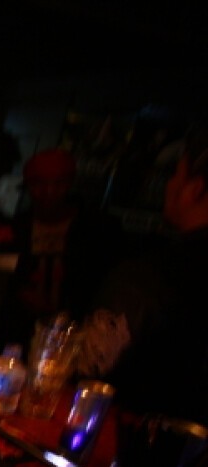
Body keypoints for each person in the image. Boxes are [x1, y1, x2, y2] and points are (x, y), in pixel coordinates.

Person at [75, 122, 208, 425]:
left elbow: (89, 371)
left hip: (133, 443)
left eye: (175, 174)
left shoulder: (148, 278)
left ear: (195, 189)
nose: (169, 185)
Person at [0, 148, 127, 348]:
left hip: (78, 336)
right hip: (19, 334)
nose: (49, 191)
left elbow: (108, 286)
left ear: (70, 183)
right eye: (39, 183)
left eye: (58, 183)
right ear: (28, 185)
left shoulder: (98, 230)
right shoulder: (13, 230)